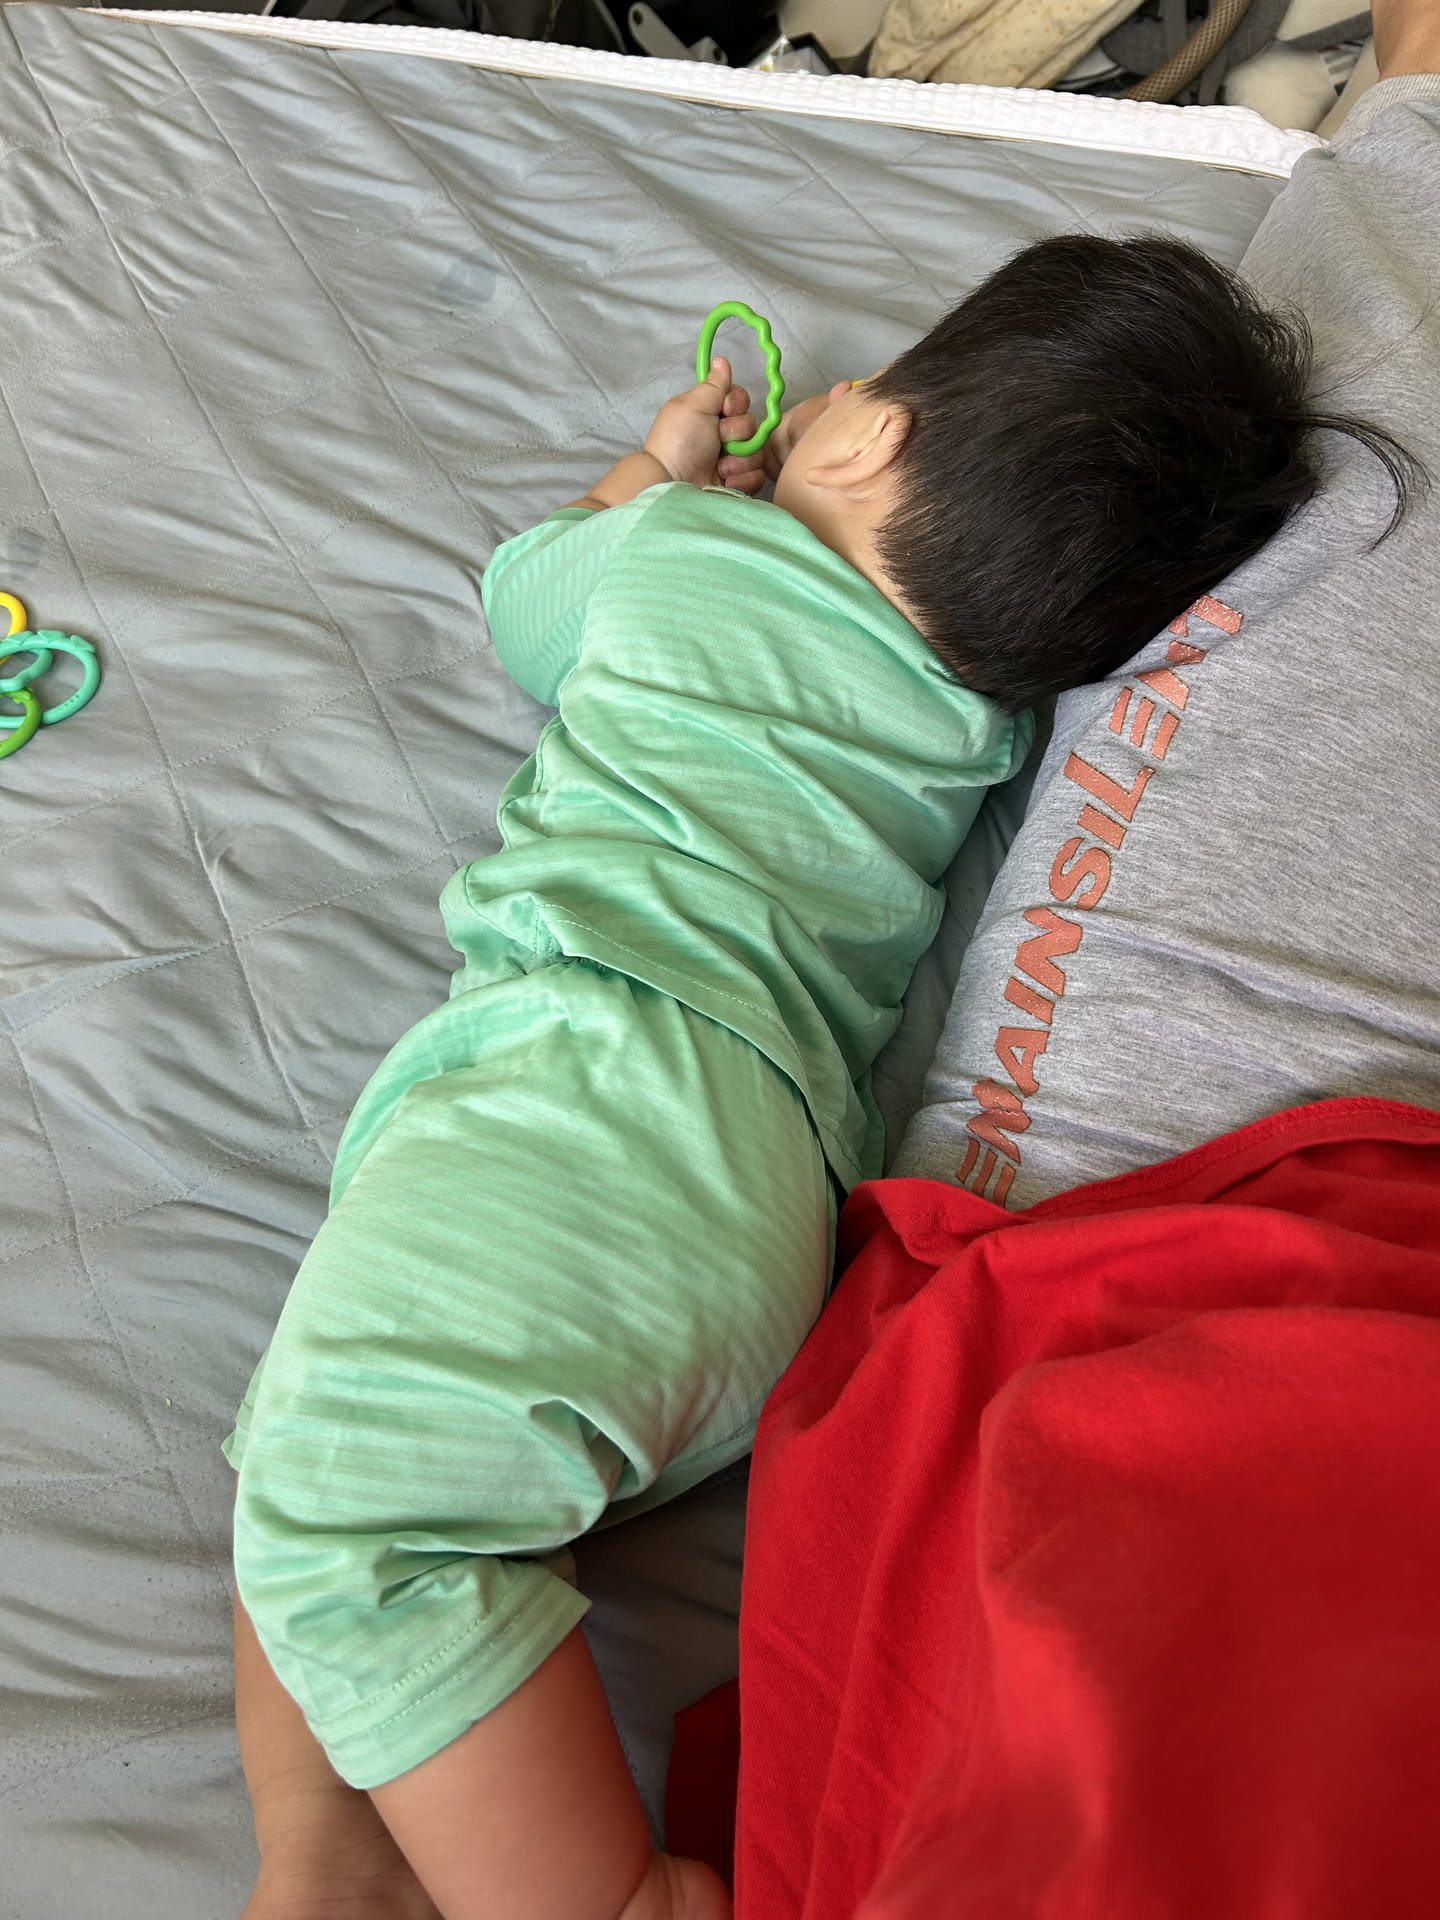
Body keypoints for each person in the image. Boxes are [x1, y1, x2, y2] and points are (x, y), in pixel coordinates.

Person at [228, 235, 1388, 1920]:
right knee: (305, 1446)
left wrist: (653, 475)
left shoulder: (687, 552)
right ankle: (335, 1847)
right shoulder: (985, 720)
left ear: (862, 435)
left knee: (358, 1522)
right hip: (759, 1206)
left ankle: (608, 1897)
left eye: (861, 385)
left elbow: (526, 598)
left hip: (600, 1091)